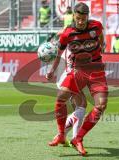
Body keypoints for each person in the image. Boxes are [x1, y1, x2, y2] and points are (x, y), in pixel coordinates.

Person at [47, 2, 108, 156]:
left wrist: (102, 45)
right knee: (61, 98)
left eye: (84, 18)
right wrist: (52, 70)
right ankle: (61, 135)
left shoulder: (96, 26)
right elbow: (59, 53)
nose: (81, 21)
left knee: (101, 106)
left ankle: (78, 138)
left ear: (88, 16)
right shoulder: (67, 33)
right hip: (78, 71)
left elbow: (101, 35)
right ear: (74, 16)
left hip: (96, 69)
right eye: (78, 18)